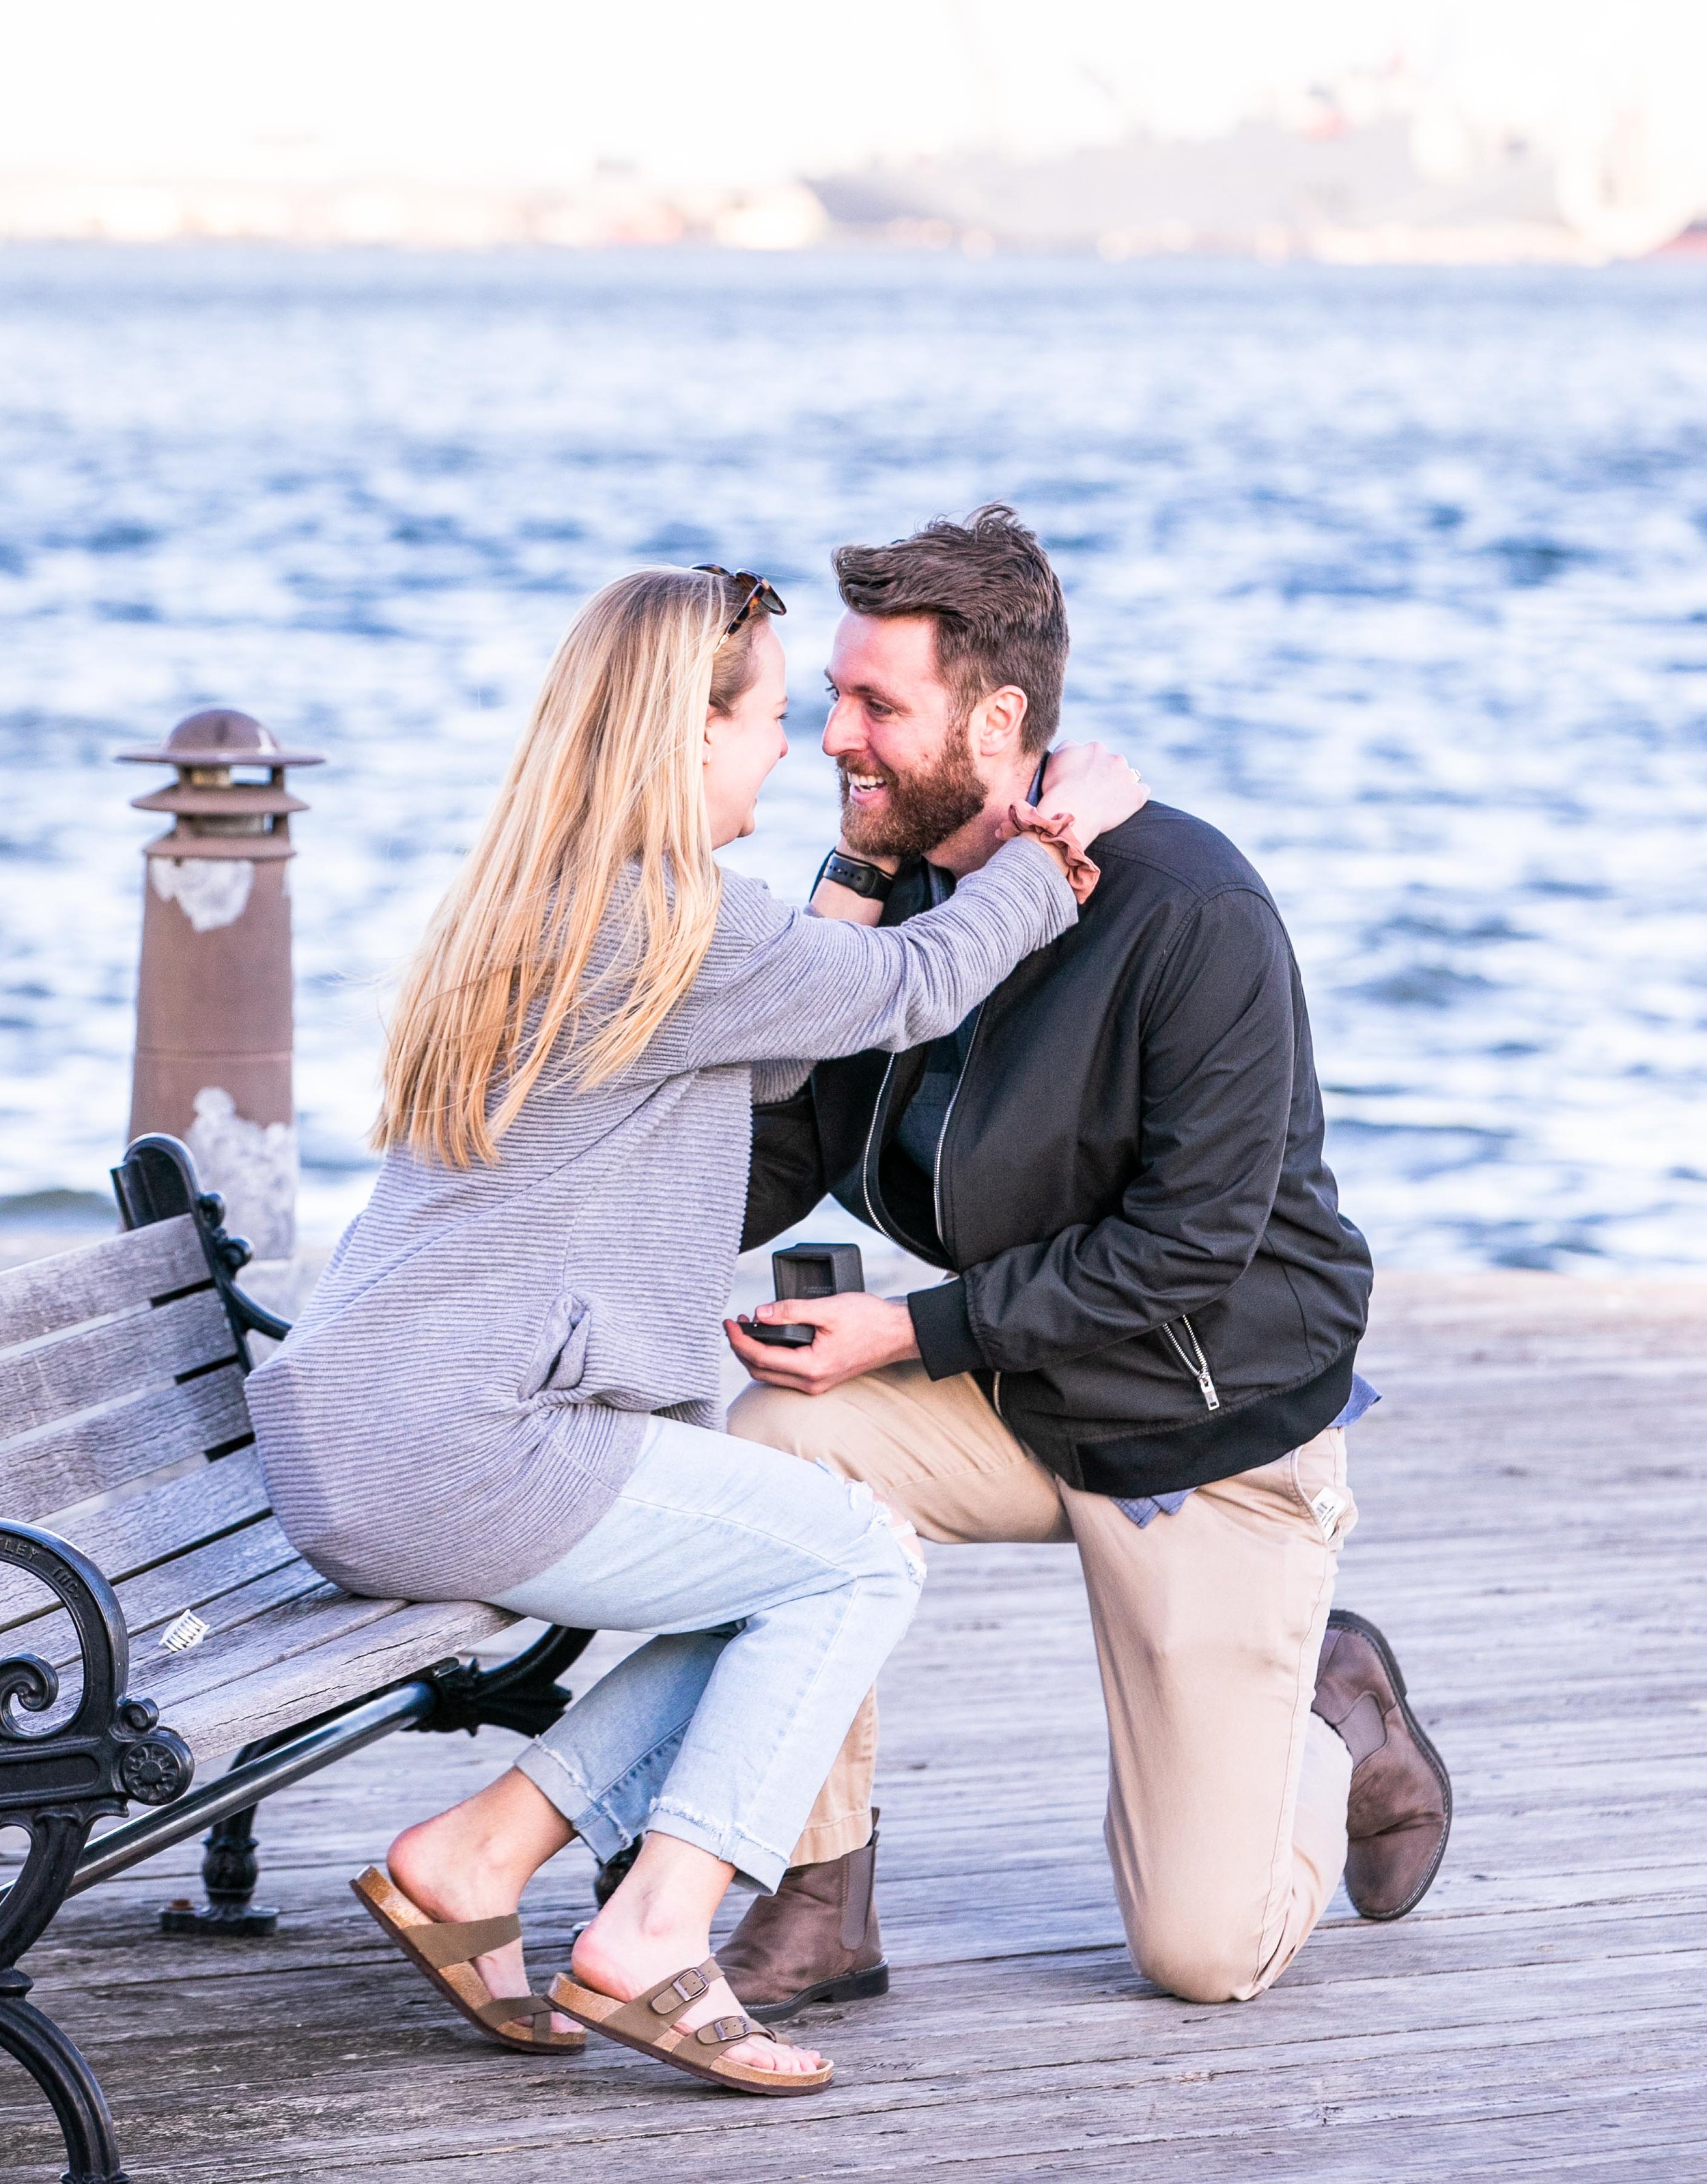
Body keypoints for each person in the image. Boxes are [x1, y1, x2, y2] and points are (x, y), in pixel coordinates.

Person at [246, 559, 1146, 2097]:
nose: (792, 752)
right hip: (463, 1448)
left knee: (785, 1570)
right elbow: (913, 988)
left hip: (373, 1433)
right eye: (773, 721)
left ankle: (478, 1855)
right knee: (855, 1551)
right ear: (686, 738)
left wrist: (860, 873)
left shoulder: (556, 901)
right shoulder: (675, 924)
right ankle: (659, 1931)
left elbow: (789, 1033)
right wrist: (1055, 848)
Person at [721, 505, 1453, 2019]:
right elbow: (772, 1168)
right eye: (831, 697)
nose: (830, 739)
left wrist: (908, 1333)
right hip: (1014, 1395)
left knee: (1201, 1955)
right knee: (783, 1441)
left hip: (1204, 1435)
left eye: (874, 705)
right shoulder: (901, 881)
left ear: (995, 721)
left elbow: (1185, 1251)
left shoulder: (1190, 913)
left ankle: (1336, 1711)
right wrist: (822, 935)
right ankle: (820, 1895)